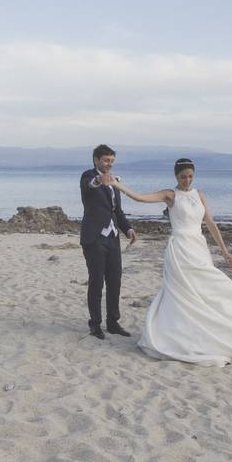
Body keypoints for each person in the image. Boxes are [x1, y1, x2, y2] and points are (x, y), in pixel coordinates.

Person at [104, 158, 232, 367]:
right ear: (176, 176)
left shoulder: (199, 194)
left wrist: (224, 251)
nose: (187, 180)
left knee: (209, 288)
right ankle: (177, 336)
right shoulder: (170, 195)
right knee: (181, 293)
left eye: (191, 176)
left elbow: (210, 223)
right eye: (183, 177)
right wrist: (116, 184)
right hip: (180, 249)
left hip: (199, 247)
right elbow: (140, 198)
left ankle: (221, 329)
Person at [80, 144, 137, 339]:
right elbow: (92, 184)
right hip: (94, 238)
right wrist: (100, 180)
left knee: (115, 281)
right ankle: (95, 325)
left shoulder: (114, 183)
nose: (109, 164)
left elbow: (117, 211)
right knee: (96, 282)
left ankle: (113, 323)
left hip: (113, 239)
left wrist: (128, 229)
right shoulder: (87, 176)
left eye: (112, 161)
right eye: (106, 160)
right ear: (96, 160)